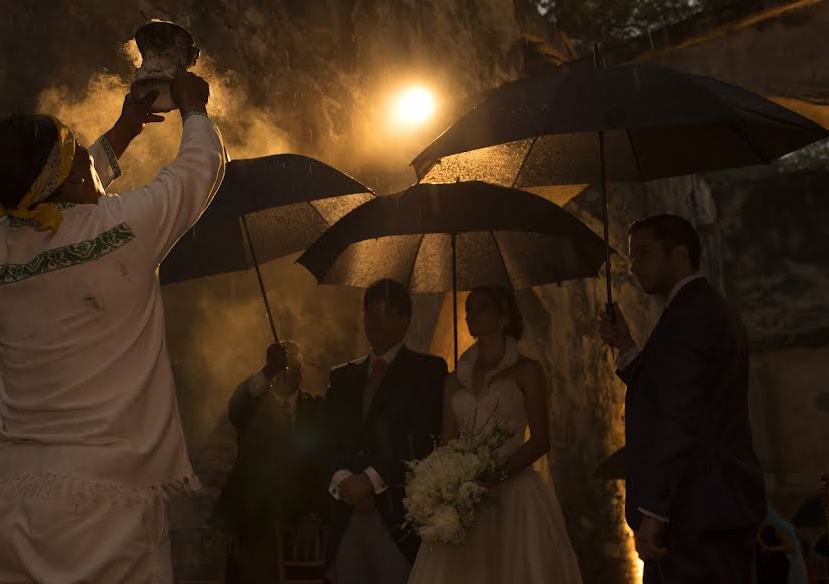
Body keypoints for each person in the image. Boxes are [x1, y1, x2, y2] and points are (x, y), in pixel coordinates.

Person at [0, 69, 226, 583]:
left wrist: (124, 132)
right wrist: (194, 109)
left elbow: (57, 202)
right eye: (77, 156)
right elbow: (201, 168)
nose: (88, 161)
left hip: (6, 507)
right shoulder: (121, 229)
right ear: (68, 176)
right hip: (101, 508)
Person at [599, 214, 766, 583]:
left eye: (643, 253)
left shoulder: (691, 314)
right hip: (710, 508)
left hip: (697, 511)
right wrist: (625, 345)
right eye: (632, 255)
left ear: (679, 253)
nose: (634, 265)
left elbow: (679, 415)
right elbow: (669, 390)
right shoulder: (700, 307)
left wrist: (656, 511)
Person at [407, 286, 583, 584]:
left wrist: (495, 475)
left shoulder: (527, 370)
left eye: (482, 307)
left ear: (504, 317)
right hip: (465, 495)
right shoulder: (454, 380)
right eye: (469, 308)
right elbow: (447, 440)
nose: (471, 314)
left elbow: (541, 440)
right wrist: (444, 483)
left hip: (516, 495)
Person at [324, 279, 448, 584]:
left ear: (404, 322)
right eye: (369, 313)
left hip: (395, 513)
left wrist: (369, 480)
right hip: (345, 510)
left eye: (384, 313)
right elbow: (325, 436)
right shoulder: (342, 377)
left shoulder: (427, 370)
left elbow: (423, 438)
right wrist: (344, 480)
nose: (374, 320)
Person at [210, 341, 329, 584]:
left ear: (302, 373)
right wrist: (266, 370)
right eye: (281, 366)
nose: (286, 372)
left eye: (293, 366)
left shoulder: (316, 409)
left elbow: (323, 464)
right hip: (253, 518)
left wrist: (313, 514)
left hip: (297, 521)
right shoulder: (254, 407)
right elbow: (236, 407)